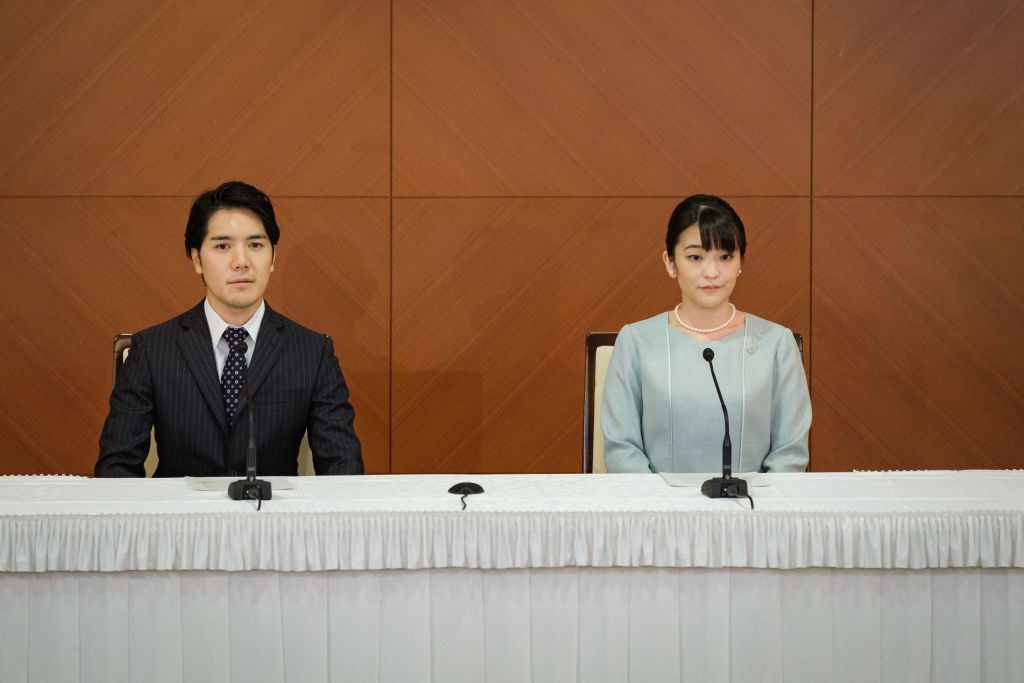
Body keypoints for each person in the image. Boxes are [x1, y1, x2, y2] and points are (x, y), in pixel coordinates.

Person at [96, 181, 363, 477]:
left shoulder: (312, 353)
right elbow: (116, 470)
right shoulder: (152, 349)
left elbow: (343, 471)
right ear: (197, 259)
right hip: (181, 520)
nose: (241, 262)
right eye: (223, 246)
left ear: (272, 257)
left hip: (272, 519)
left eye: (256, 245)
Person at [601, 194, 810, 473]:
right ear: (670, 263)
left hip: (753, 511)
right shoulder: (636, 342)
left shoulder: (776, 344)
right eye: (695, 257)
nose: (712, 272)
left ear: (740, 262)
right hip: (662, 512)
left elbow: (790, 454)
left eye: (725, 256)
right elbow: (622, 450)